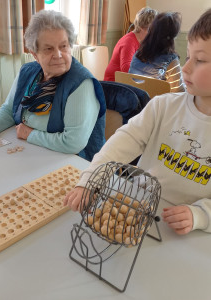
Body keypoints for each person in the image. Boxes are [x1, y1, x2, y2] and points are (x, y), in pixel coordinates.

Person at [64, 8, 211, 235]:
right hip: (137, 206)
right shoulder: (163, 106)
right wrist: (90, 178)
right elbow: (125, 140)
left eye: (199, 60)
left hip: (183, 232)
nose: (186, 67)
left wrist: (201, 214)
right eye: (189, 56)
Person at [0, 10, 106, 161]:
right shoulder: (28, 72)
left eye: (63, 46)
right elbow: (9, 109)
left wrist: (30, 134)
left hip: (74, 164)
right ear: (34, 54)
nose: (58, 55)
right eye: (49, 49)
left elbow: (73, 143)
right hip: (32, 155)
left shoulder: (81, 84)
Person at [129, 12, 185, 93]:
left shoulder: (138, 53)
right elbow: (178, 94)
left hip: (135, 101)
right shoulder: (171, 60)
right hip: (155, 103)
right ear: (173, 36)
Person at [104, 7, 158, 82]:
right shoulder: (128, 42)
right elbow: (127, 71)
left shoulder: (144, 42)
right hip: (114, 84)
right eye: (151, 30)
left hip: (128, 82)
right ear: (141, 27)